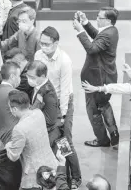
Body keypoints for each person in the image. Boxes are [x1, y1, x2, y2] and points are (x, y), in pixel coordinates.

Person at [34, 26, 82, 188]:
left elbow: (65, 89)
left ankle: (75, 176)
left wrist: (61, 116)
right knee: (51, 141)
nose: (43, 47)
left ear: (56, 43)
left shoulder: (64, 61)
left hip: (63, 105)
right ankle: (60, 174)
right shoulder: (38, 55)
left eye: (47, 44)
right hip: (46, 104)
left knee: (65, 142)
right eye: (41, 43)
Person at [73, 7, 120, 148]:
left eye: (99, 17)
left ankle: (102, 140)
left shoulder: (107, 35)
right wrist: (86, 23)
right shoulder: (111, 31)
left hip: (98, 79)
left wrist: (80, 30)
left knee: (93, 111)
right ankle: (114, 134)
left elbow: (92, 48)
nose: (97, 19)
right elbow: (97, 37)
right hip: (106, 76)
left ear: (108, 20)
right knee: (104, 105)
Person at [5, 90, 58, 190]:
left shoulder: (19, 129)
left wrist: (8, 146)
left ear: (14, 109)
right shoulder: (39, 113)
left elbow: (13, 156)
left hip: (34, 175)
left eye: (10, 107)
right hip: (50, 164)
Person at [26, 61, 61, 152]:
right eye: (27, 76)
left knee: (63, 158)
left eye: (32, 77)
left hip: (53, 135)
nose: (28, 79)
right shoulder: (39, 85)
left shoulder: (49, 94)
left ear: (42, 77)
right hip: (49, 132)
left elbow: (50, 120)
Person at [0, 62, 20, 144]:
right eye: (18, 76)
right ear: (12, 76)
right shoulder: (15, 93)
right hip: (12, 138)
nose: (19, 79)